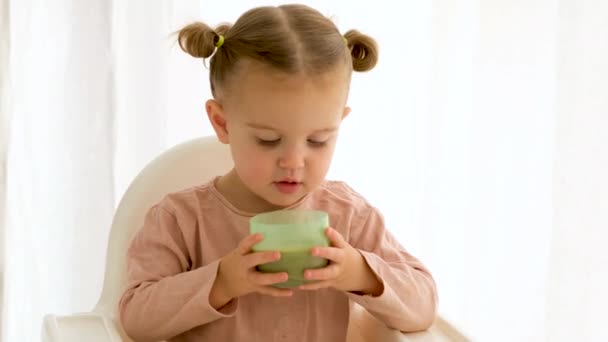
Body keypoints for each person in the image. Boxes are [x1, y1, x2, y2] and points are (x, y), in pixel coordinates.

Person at [119, 4, 437, 341]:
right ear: (221, 122)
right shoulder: (181, 220)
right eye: (268, 140)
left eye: (318, 140)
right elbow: (136, 319)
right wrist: (222, 281)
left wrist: (360, 272)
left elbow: (424, 305)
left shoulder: (347, 216)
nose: (294, 162)